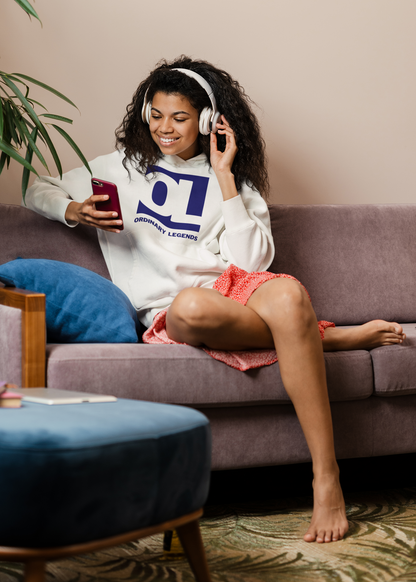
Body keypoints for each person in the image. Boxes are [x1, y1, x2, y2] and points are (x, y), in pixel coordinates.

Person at [25, 56, 406, 543]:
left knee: (288, 294)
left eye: (180, 118)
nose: (165, 128)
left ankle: (326, 478)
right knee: (190, 305)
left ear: (206, 121)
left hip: (235, 292)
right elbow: (40, 188)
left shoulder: (233, 182)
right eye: (157, 115)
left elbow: (251, 264)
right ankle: (325, 339)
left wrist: (225, 175)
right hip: (178, 308)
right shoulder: (117, 168)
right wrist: (74, 210)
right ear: (144, 114)